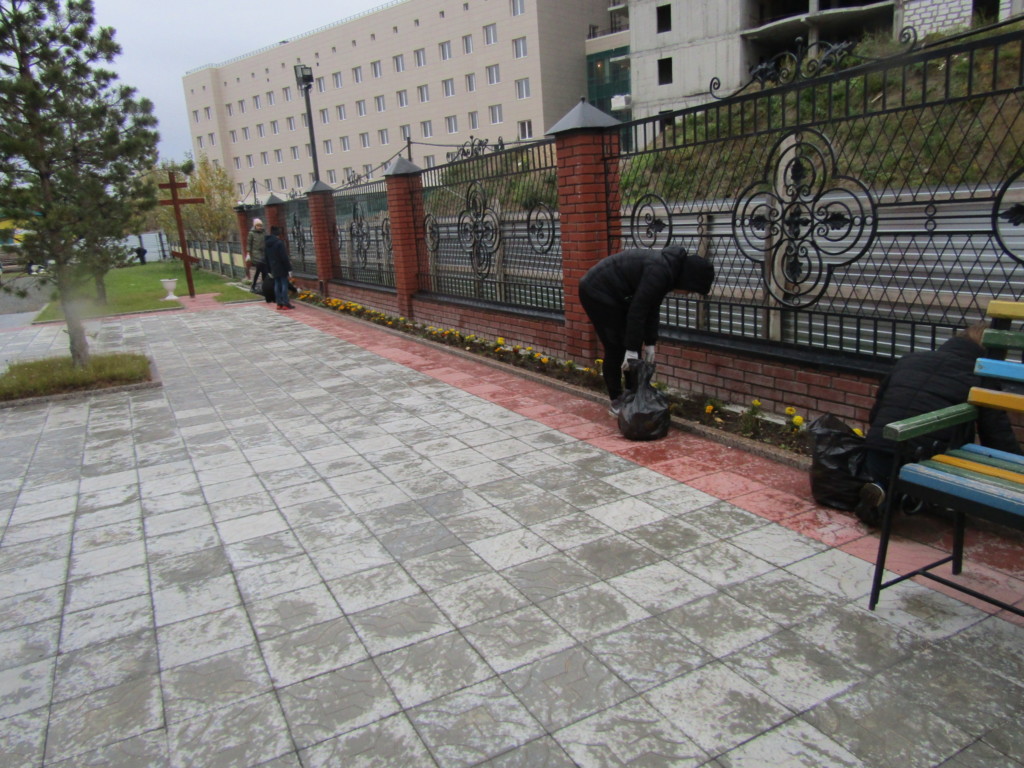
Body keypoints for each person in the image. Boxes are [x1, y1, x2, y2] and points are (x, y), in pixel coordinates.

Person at [856, 322, 1022, 523]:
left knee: (891, 479)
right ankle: (899, 497)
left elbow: (877, 411)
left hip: (878, 447)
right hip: (925, 458)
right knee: (955, 441)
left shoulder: (910, 359)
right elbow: (996, 435)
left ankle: (883, 492)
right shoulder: (982, 378)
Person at [579, 246, 715, 415]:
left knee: (631, 346)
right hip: (596, 291)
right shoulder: (659, 272)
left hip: (618, 296)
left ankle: (633, 396)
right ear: (688, 279)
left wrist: (650, 342)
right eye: (690, 290)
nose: (687, 294)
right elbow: (638, 311)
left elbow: (652, 308)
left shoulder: (668, 272)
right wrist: (631, 348)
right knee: (616, 346)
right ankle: (617, 401)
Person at [264, 225, 294, 310]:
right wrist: (289, 268)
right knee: (284, 284)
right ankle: (285, 303)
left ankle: (279, 303)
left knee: (277, 284)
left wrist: (269, 270)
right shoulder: (279, 243)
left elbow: (266, 257)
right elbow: (284, 257)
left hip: (273, 267)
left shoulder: (267, 244)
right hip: (281, 266)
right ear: (278, 234)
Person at [245, 218, 269, 291]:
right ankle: (255, 286)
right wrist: (248, 253)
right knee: (261, 269)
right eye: (258, 226)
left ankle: (262, 286)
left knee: (262, 270)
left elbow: (266, 241)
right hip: (255, 254)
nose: (260, 227)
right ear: (255, 226)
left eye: (260, 225)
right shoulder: (251, 233)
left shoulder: (263, 232)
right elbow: (249, 244)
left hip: (263, 253)